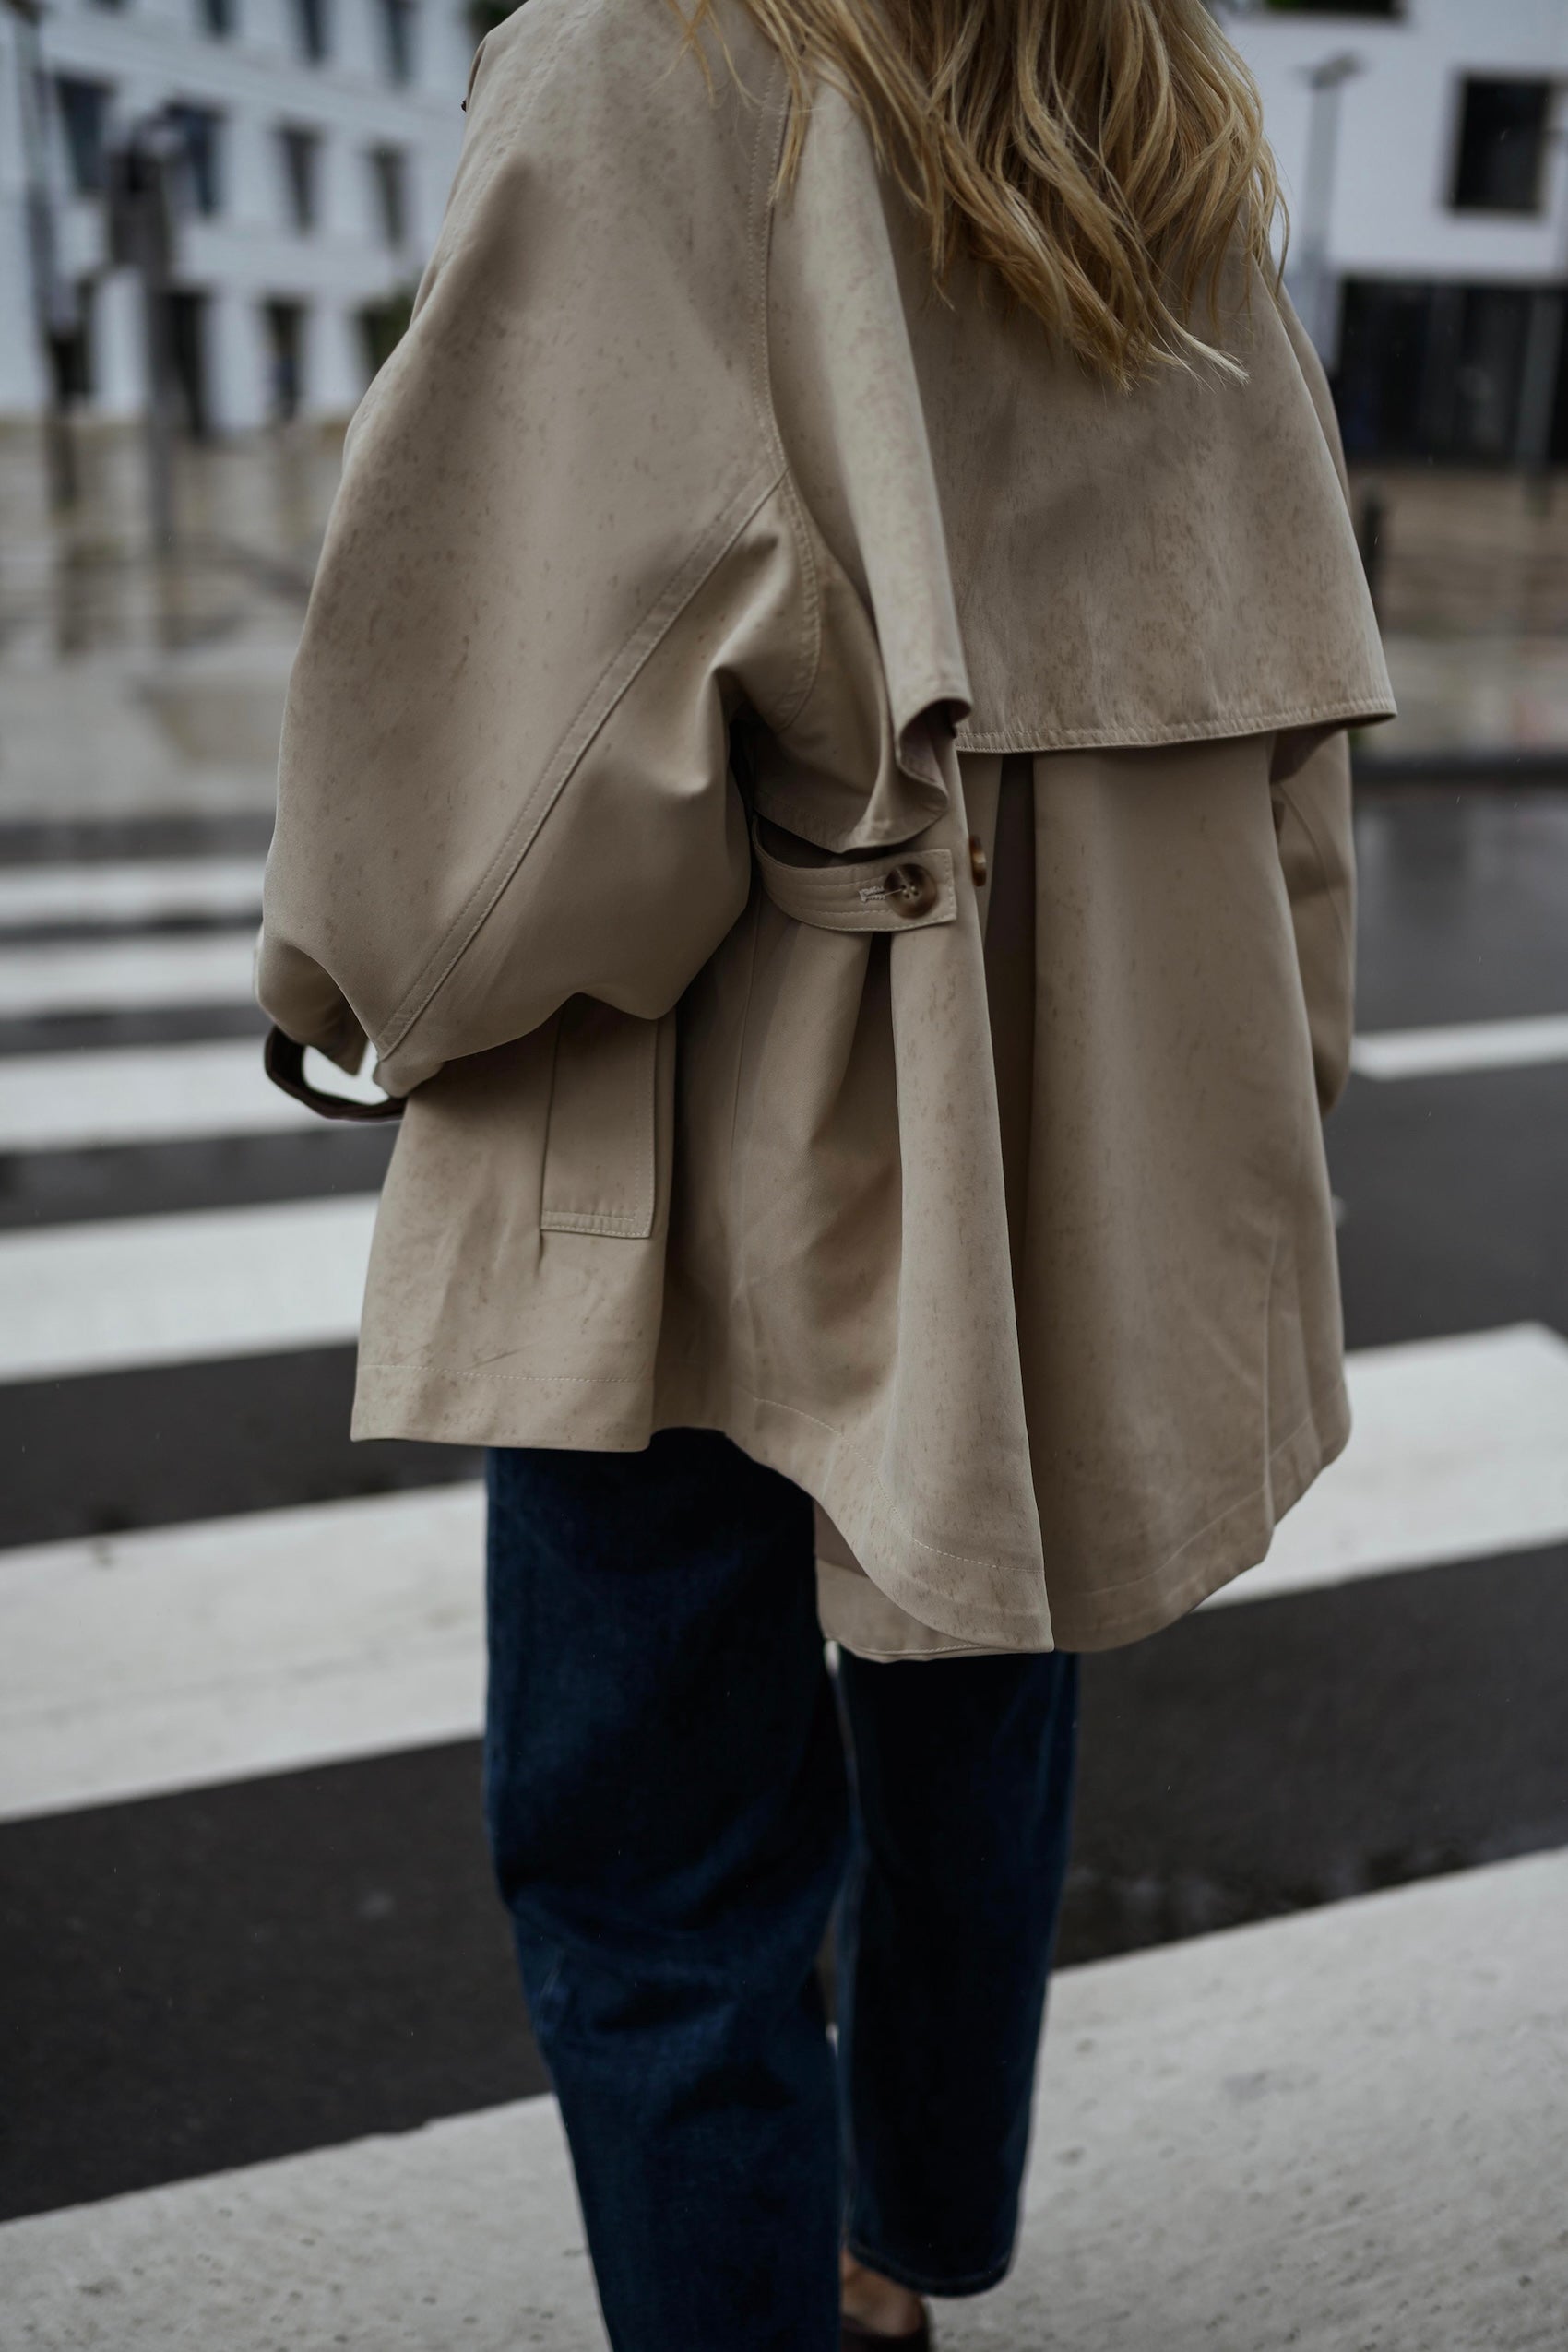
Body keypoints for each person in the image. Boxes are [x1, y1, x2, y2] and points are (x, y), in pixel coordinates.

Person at [256, 0, 1392, 2340]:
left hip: (729, 1093)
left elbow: (536, 682)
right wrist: (1272, 1067)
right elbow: (1290, 672)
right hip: (1081, 1101)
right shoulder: (1148, 93)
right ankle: (900, 2251)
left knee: (653, 1859)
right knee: (976, 1650)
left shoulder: (652, 56)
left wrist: (360, 972)